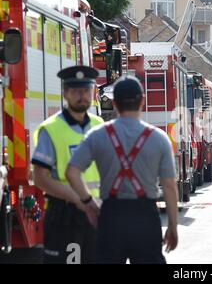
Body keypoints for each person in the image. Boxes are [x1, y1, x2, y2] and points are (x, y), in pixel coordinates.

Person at [66, 76, 178, 264]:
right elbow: (169, 186)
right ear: (142, 101)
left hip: (111, 216)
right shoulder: (159, 138)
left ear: (115, 103)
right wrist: (173, 226)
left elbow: (71, 172)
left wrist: (89, 202)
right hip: (145, 218)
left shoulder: (97, 135)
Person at [32, 66, 104, 264]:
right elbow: (40, 177)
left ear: (92, 92)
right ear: (65, 94)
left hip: (97, 214)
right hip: (65, 216)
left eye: (86, 91)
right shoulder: (51, 129)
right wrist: (78, 199)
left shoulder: (100, 126)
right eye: (75, 91)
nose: (82, 96)